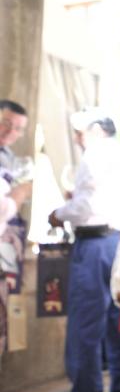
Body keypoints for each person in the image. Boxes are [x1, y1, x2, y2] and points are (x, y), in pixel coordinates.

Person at [47, 108, 120, 392]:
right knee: (119, 324)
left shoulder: (95, 154)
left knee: (84, 332)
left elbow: (85, 207)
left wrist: (59, 214)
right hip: (118, 244)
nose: (77, 138)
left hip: (93, 245)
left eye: (80, 132)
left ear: (97, 130)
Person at [0, 100, 33, 368]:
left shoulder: (11, 158)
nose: (10, 131)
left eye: (18, 128)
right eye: (6, 123)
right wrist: (18, 195)